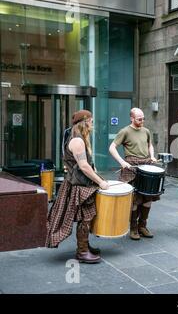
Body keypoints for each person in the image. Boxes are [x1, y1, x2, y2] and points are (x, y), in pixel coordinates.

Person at [46, 110, 109, 264]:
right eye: (92, 121)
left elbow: (87, 166)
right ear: (85, 121)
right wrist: (100, 182)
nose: (93, 125)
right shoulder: (77, 141)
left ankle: (85, 246)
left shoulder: (79, 138)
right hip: (79, 186)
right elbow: (83, 166)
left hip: (80, 183)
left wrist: (97, 175)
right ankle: (82, 252)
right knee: (86, 216)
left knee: (86, 216)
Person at [109, 108, 158, 240]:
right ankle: (134, 228)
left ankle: (143, 226)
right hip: (131, 166)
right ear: (132, 118)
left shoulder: (146, 131)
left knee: (148, 198)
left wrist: (152, 156)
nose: (142, 121)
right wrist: (121, 162)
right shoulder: (124, 131)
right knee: (135, 199)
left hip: (147, 165)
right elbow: (111, 148)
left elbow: (150, 145)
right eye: (139, 119)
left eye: (143, 118)